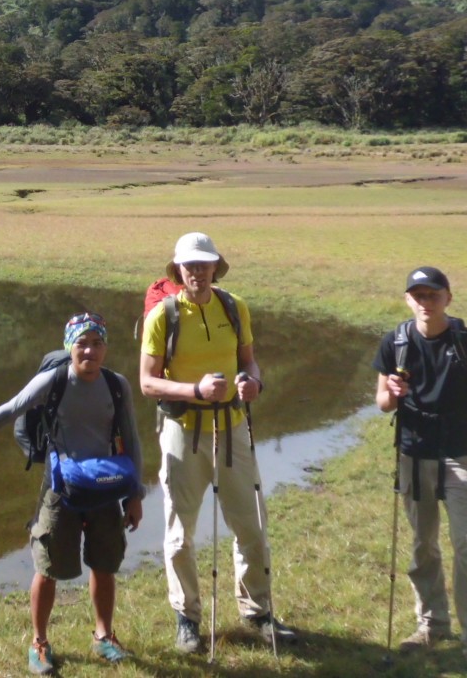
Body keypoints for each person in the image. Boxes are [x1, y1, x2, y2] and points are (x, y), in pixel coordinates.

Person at [0, 312, 145, 674]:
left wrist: (135, 495)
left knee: (104, 564)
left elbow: (131, 440)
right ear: (70, 347)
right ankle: (39, 642)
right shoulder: (53, 381)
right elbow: (11, 408)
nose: (90, 351)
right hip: (59, 490)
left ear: (105, 348)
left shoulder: (117, 385)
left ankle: (103, 636)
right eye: (82, 343)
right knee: (47, 567)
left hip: (104, 487)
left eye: (97, 343)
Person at [138, 232, 297, 653]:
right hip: (183, 433)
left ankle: (257, 611)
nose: (197, 272)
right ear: (178, 270)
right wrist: (195, 390)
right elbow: (147, 382)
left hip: (232, 427)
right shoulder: (163, 317)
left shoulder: (234, 306)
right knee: (179, 533)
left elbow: (249, 361)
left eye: (204, 264)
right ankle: (186, 618)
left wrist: (254, 382)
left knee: (252, 524)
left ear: (215, 267)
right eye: (190, 265)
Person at [374, 266, 467, 678]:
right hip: (413, 453)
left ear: (448, 298)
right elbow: (381, 401)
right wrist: (392, 395)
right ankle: (431, 624)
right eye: (417, 295)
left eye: (432, 295)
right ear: (407, 300)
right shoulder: (395, 342)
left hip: (457, 453)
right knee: (422, 545)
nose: (425, 302)